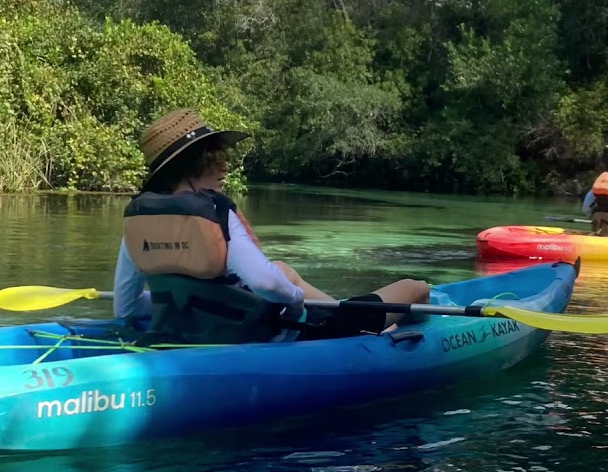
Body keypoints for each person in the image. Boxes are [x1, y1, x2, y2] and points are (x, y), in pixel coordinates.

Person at [113, 108, 431, 345]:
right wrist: (294, 301)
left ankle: (349, 319)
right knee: (417, 287)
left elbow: (125, 309)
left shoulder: (139, 219)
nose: (226, 166)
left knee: (283, 268)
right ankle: (417, 338)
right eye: (215, 158)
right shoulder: (216, 213)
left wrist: (173, 298)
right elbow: (265, 284)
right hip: (268, 336)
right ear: (193, 165)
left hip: (183, 335)